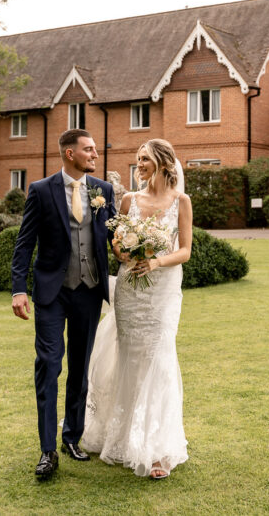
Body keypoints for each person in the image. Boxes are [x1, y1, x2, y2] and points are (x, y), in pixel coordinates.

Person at [80, 138, 193, 480]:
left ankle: (157, 449)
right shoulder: (129, 199)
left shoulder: (181, 201)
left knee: (159, 358)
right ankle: (125, 436)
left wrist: (155, 262)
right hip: (130, 288)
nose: (139, 163)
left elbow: (185, 250)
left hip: (162, 291)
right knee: (129, 356)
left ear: (161, 162)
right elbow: (116, 241)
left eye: (144, 159)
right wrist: (125, 253)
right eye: (138, 159)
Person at [10, 128, 117, 481]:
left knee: (80, 367)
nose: (95, 155)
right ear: (70, 154)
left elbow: (116, 237)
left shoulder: (103, 191)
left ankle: (72, 436)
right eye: (89, 150)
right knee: (49, 365)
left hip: (88, 290)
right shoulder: (41, 191)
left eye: (95, 150)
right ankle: (47, 451)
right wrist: (18, 289)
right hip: (52, 293)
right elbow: (25, 243)